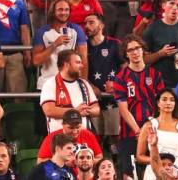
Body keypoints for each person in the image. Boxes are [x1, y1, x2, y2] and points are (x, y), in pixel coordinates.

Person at [113, 35, 165, 179]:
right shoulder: (121, 77)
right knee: (129, 175)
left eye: (137, 48)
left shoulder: (155, 75)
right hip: (129, 132)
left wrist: (151, 128)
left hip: (153, 131)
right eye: (130, 50)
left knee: (155, 170)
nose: (135, 52)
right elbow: (123, 109)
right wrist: (138, 131)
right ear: (126, 54)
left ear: (143, 50)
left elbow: (162, 105)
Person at [136, 88, 178, 180]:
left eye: (172, 100)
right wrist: (158, 161)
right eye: (164, 99)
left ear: (175, 104)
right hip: (153, 172)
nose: (168, 103)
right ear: (158, 103)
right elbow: (139, 156)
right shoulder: (148, 125)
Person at [32, 0, 88, 89]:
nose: (64, 13)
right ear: (53, 12)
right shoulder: (42, 32)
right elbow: (36, 61)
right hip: (48, 83)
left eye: (66, 10)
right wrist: (55, 44)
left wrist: (84, 83)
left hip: (71, 83)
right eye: (60, 9)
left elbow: (83, 58)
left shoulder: (76, 30)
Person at [84, 13, 122, 142]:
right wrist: (90, 86)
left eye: (91, 22)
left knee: (114, 138)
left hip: (113, 98)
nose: (87, 26)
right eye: (85, 23)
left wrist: (116, 82)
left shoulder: (114, 44)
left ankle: (116, 160)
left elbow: (126, 66)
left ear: (101, 25)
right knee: (95, 138)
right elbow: (79, 72)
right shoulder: (83, 46)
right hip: (92, 98)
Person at [142, 0, 178, 88]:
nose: (175, 7)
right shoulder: (153, 28)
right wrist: (160, 54)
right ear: (163, 6)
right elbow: (143, 59)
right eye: (171, 3)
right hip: (159, 83)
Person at [40, 50, 100, 132]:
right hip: (60, 138)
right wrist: (75, 112)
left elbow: (97, 109)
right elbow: (49, 110)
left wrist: (87, 110)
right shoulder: (50, 84)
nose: (82, 66)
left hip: (84, 137)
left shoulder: (84, 83)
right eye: (78, 62)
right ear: (67, 64)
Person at [0, 0, 31, 94]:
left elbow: (24, 28)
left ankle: (18, 110)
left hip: (14, 54)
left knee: (18, 95)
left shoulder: (19, 3)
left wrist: (27, 52)